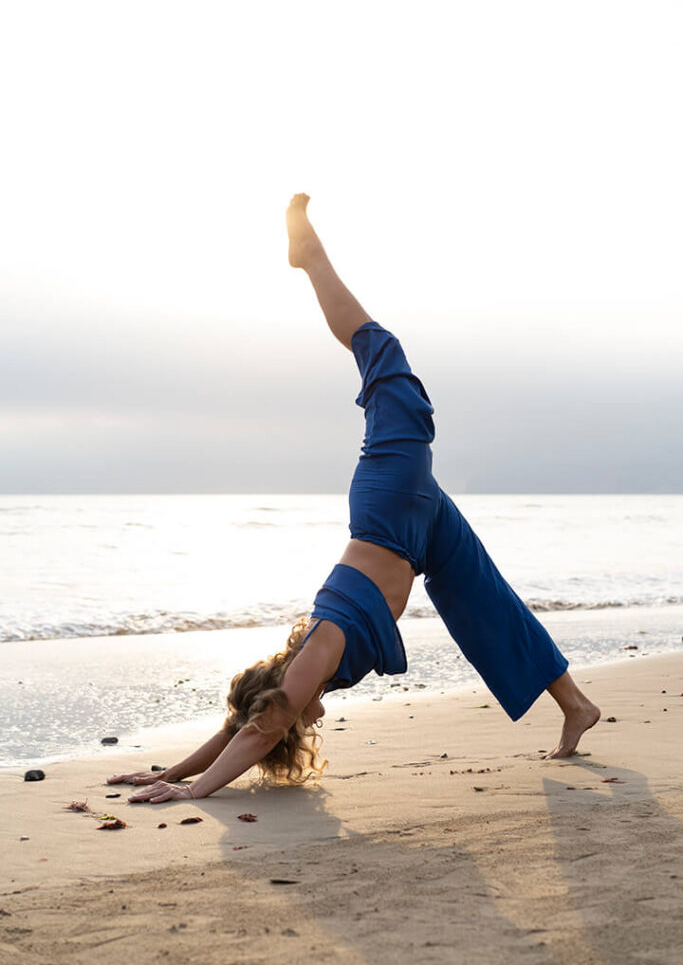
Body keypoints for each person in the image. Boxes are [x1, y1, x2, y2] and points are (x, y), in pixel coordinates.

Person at [107, 194, 600, 804]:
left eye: (288, 714)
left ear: (281, 695)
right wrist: (168, 775)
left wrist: (195, 794)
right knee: (483, 599)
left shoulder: (316, 655)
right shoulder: (315, 674)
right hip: (419, 534)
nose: (304, 723)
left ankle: (311, 258)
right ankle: (575, 704)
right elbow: (240, 728)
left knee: (385, 359)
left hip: (389, 510)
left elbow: (262, 730)